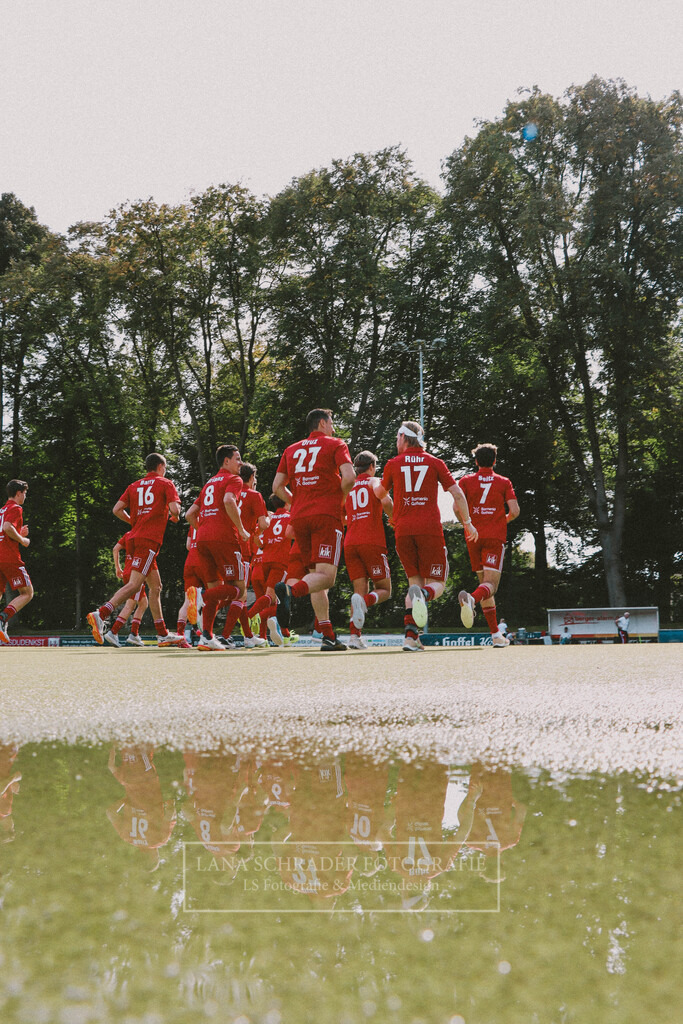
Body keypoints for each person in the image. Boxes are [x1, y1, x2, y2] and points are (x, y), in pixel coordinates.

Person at [374, 421, 477, 652]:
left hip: (403, 531)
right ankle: (423, 595)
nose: (396, 441)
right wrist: (467, 523)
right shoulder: (435, 462)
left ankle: (411, 638)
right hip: (429, 529)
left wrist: (375, 487)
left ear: (404, 437)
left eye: (398, 437)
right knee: (437, 583)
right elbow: (458, 493)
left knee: (414, 583)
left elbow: (381, 494)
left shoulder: (393, 464)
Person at [272, 408, 355, 652]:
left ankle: (328, 636)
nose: (333, 427)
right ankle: (289, 590)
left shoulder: (291, 449)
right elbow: (349, 479)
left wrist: (296, 502)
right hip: (325, 517)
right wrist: (337, 501)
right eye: (331, 423)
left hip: (299, 518)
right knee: (326, 577)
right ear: (322, 423)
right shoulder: (336, 444)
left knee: (316, 580)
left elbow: (277, 486)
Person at [87, 454, 183, 648]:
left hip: (137, 537)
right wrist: (174, 516)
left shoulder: (134, 486)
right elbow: (176, 510)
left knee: (156, 587)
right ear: (160, 466)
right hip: (148, 540)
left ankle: (163, 633)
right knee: (134, 585)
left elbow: (116, 509)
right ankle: (102, 614)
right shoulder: (165, 483)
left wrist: (136, 522)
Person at [185, 444, 250, 651]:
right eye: (237, 458)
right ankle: (201, 596)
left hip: (202, 540)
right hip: (224, 539)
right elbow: (229, 501)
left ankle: (206, 637)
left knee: (217, 588)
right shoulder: (234, 479)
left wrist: (204, 530)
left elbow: (189, 515)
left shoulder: (209, 484)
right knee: (239, 590)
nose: (240, 463)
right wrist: (241, 529)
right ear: (226, 461)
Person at [457, 443, 520, 648]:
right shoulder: (503, 482)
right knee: (490, 586)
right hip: (494, 537)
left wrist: (467, 524)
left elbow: (456, 507)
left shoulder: (466, 480)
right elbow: (515, 510)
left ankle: (495, 635)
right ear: (494, 461)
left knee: (486, 586)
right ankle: (471, 600)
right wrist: (503, 520)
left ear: (476, 461)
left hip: (473, 536)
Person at [344, 451, 393, 649]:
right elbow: (386, 500)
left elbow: (341, 517)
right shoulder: (374, 481)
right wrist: (394, 519)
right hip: (371, 541)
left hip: (350, 542)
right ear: (372, 467)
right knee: (384, 590)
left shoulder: (347, 487)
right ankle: (365, 602)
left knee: (358, 592)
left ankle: (355, 637)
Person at [235, 462, 269, 647]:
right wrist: (255, 531)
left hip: (225, 545)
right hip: (244, 549)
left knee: (229, 591)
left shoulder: (230, 493)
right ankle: (234, 635)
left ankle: (247, 635)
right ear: (251, 477)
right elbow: (263, 524)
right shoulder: (254, 495)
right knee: (240, 594)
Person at [0, 480, 33, 645]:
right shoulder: (16, 508)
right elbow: (7, 527)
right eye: (25, 493)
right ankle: (2, 619)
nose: (25, 496)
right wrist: (22, 539)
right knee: (27, 593)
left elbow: (4, 531)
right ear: (19, 493)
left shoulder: (2, 510)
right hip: (9, 558)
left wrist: (17, 532)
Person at [107, 531, 149, 647]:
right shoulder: (144, 534)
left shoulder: (128, 534)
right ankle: (113, 631)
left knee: (143, 603)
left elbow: (115, 549)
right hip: (136, 572)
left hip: (127, 571)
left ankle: (134, 635)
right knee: (130, 605)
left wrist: (117, 568)